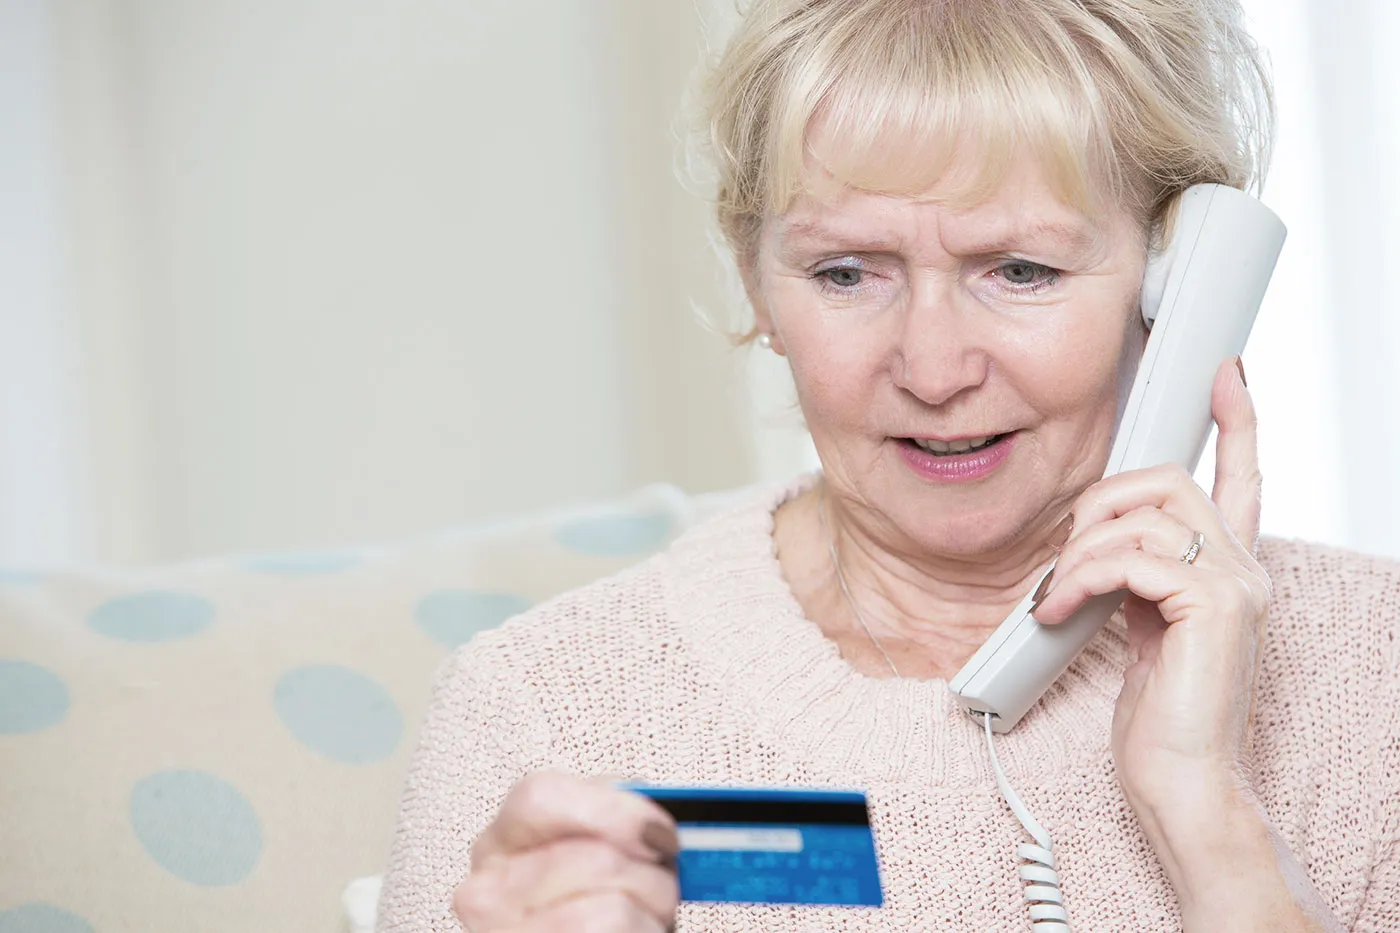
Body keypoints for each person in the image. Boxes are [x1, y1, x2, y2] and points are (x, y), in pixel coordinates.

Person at [376, 1, 1400, 930]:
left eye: (1019, 270)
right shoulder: (543, 710)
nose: (931, 368)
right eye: (845, 273)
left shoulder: (1372, 672)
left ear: (1174, 289)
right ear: (756, 286)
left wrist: (1211, 824)